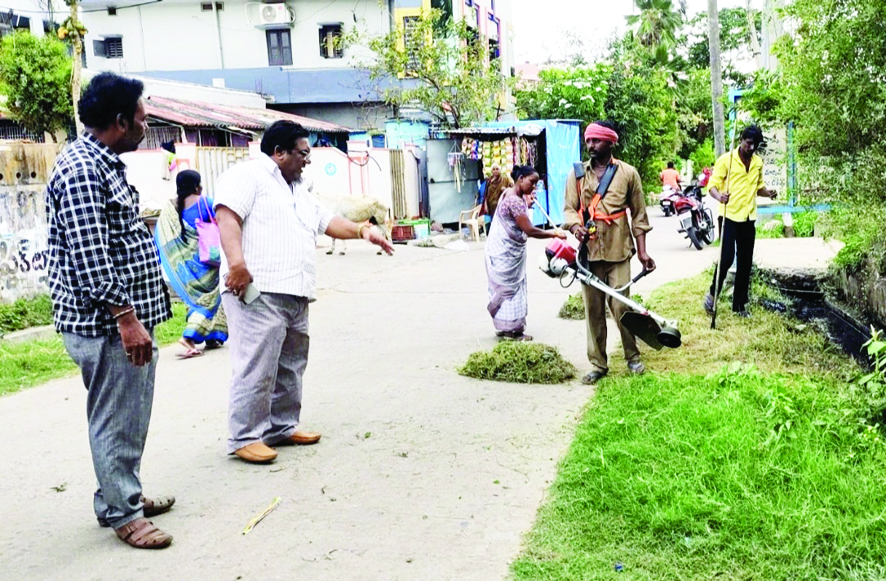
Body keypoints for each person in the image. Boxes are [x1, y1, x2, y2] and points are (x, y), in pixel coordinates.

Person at [214, 120, 394, 464]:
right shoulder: (248, 176)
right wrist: (236, 264)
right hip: (257, 289)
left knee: (291, 363)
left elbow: (327, 222)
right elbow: (227, 217)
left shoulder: (297, 189)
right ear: (278, 152)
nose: (307, 161)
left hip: (294, 292)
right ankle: (245, 435)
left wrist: (362, 231)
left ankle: (281, 426)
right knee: (256, 362)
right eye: (303, 153)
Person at [46, 72, 175, 549]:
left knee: (128, 413)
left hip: (123, 321)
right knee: (116, 417)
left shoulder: (103, 163)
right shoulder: (82, 169)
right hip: (107, 324)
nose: (147, 125)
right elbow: (90, 255)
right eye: (142, 119)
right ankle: (124, 513)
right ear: (120, 122)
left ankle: (122, 496)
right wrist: (126, 318)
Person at [564, 121, 656, 385]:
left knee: (621, 305)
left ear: (610, 142)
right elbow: (570, 208)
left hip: (618, 251)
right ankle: (598, 364)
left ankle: (633, 357)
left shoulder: (628, 173)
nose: (590, 145)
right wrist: (575, 226)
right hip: (588, 255)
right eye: (588, 140)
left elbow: (639, 215)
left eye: (596, 140)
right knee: (592, 310)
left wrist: (643, 253)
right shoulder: (577, 174)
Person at [703, 125, 777, 318]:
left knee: (745, 262)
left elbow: (758, 187)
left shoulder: (758, 163)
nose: (751, 148)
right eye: (748, 143)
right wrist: (719, 196)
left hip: (748, 217)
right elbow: (712, 185)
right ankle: (713, 294)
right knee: (726, 258)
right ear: (741, 140)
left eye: (755, 145)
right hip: (728, 216)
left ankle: (739, 305)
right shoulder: (726, 160)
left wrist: (767, 193)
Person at [485, 165, 566, 341]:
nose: (534, 187)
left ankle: (504, 327)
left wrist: (526, 202)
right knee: (511, 289)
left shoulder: (509, 193)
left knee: (505, 289)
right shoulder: (514, 200)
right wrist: (554, 233)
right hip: (506, 253)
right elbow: (529, 230)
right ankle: (513, 332)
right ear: (520, 179)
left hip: (500, 250)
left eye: (536, 184)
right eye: (532, 182)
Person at [154, 170, 228, 359]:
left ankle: (212, 336)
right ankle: (189, 337)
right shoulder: (206, 202)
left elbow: (163, 238)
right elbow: (223, 224)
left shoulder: (171, 208)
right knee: (210, 299)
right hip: (209, 262)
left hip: (186, 267)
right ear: (197, 184)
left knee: (195, 300)